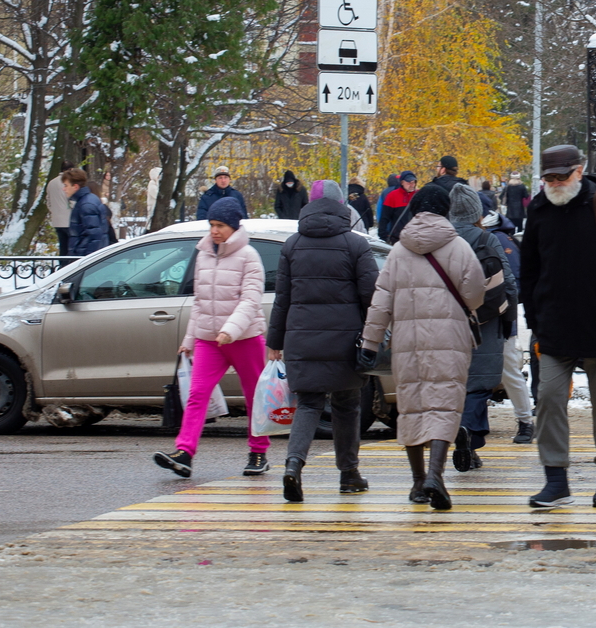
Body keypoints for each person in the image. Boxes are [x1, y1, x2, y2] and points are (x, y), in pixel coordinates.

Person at [519, 144, 596, 509]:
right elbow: (530, 268)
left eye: (562, 176)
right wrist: (534, 316)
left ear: (579, 170)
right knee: (549, 398)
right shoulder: (539, 210)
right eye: (549, 178)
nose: (556, 184)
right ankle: (555, 479)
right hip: (554, 326)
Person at [359, 184, 484, 510]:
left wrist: (370, 342)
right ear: (446, 211)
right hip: (450, 340)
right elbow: (475, 295)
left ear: (414, 210)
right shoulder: (458, 248)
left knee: (412, 407)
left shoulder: (399, 251)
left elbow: (381, 301)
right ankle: (435, 476)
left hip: (408, 343)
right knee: (445, 405)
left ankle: (417, 483)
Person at [266, 181, 379, 502]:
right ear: (342, 205)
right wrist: (374, 334)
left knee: (309, 405)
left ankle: (293, 466)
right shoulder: (355, 245)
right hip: (346, 342)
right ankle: (349, 474)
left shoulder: (292, 246)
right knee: (347, 406)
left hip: (301, 339)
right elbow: (372, 296)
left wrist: (274, 340)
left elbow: (282, 300)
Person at [154, 198, 270, 478]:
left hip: (244, 337)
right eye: (211, 225)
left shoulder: (249, 256)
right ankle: (184, 453)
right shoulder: (204, 254)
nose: (214, 231)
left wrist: (231, 330)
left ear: (234, 226)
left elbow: (251, 300)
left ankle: (258, 453)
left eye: (220, 226)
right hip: (209, 338)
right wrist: (190, 338)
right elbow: (199, 302)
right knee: (197, 394)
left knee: (254, 395)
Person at [447, 184, 518, 473]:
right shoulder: (488, 239)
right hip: (486, 324)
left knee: (456, 387)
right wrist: (506, 316)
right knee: (478, 388)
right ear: (477, 213)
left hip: (449, 324)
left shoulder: (443, 240)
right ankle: (468, 434)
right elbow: (509, 284)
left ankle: (466, 441)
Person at [483, 209, 533, 443]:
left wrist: (506, 312)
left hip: (500, 320)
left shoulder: (499, 239)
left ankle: (525, 422)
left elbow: (516, 281)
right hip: (495, 319)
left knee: (509, 371)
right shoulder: (491, 236)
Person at [62, 168, 110, 257]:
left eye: (66, 185)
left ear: (75, 187)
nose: (64, 189)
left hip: (86, 259)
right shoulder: (87, 200)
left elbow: (94, 236)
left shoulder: (86, 204)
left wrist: (83, 260)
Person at [378, 171, 418, 242]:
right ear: (402, 182)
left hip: (415, 237)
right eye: (409, 182)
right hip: (397, 238)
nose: (412, 185)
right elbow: (384, 217)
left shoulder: (419, 195)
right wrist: (383, 235)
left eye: (413, 182)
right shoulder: (392, 196)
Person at [46, 163, 75, 254]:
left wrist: (54, 211)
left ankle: (63, 264)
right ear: (71, 169)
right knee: (71, 246)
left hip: (57, 220)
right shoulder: (69, 182)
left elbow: (48, 201)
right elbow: (72, 201)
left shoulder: (51, 183)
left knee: (63, 245)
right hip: (69, 219)